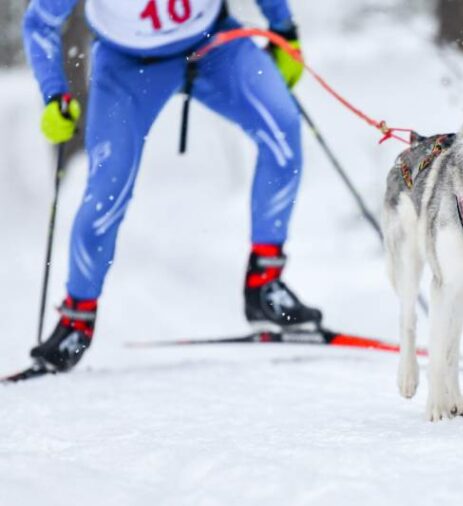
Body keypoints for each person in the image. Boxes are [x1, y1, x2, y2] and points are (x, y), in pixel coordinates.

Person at [22, 0, 322, 372]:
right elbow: (39, 22)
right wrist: (54, 93)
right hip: (127, 65)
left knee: (284, 130)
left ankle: (265, 284)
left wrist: (283, 29)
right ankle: (75, 322)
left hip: (214, 43)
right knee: (106, 191)